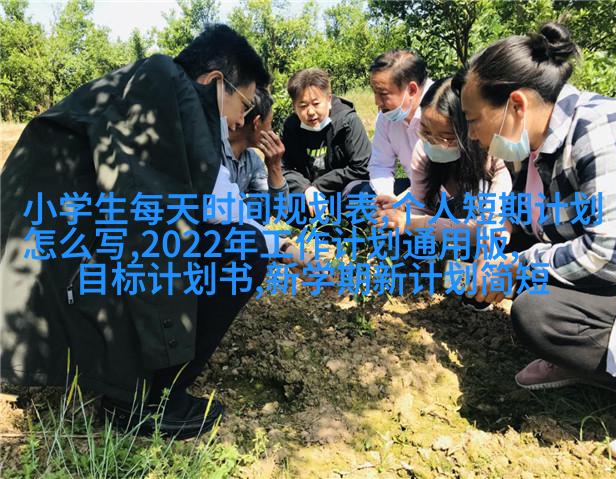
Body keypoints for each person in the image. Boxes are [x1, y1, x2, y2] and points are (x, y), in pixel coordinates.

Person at [0, 24, 272, 439]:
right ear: (216, 82)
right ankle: (148, 400)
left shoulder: (145, 89)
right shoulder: (163, 84)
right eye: (244, 104)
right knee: (243, 249)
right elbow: (161, 218)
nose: (241, 120)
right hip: (65, 259)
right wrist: (277, 245)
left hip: (51, 255)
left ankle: (128, 380)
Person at [453, 22, 616, 469]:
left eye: (474, 120)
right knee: (534, 302)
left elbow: (609, 254)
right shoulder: (542, 144)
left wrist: (513, 268)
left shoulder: (601, 131)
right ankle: (589, 364)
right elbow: (546, 227)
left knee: (535, 309)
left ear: (516, 105)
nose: (473, 136)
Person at [372, 77, 512, 243]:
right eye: (425, 131)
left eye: (446, 137)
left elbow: (484, 226)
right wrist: (401, 209)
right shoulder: (423, 151)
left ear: (469, 131)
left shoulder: (491, 148)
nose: (432, 142)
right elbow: (419, 207)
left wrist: (411, 223)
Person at [281, 68, 371, 217]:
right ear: (294, 106)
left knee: (363, 193)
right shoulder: (291, 127)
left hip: (342, 192)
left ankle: (346, 225)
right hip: (308, 196)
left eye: (316, 103)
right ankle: (315, 226)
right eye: (303, 106)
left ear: (329, 100)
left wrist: (317, 186)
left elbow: (362, 167)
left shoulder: (347, 121)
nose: (310, 112)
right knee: (275, 195)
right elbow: (282, 168)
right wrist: (306, 189)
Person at [365, 49, 433, 199]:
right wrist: (386, 196)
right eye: (375, 92)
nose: (377, 102)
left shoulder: (441, 110)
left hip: (451, 191)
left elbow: (447, 177)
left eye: (383, 94)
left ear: (412, 90)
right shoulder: (386, 117)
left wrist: (404, 202)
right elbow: (380, 164)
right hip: (414, 188)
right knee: (362, 193)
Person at [224, 86, 288, 218]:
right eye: (270, 124)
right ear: (257, 123)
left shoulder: (252, 159)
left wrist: (275, 167)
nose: (271, 131)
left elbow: (280, 212)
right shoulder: (215, 152)